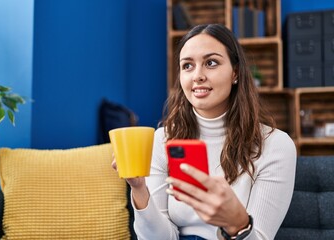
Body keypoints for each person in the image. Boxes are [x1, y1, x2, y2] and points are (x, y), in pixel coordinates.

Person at [112, 24, 297, 240]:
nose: (197, 76)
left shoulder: (275, 145)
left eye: (211, 63)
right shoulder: (163, 140)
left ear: (235, 72)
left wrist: (236, 222)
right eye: (187, 66)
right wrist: (139, 189)